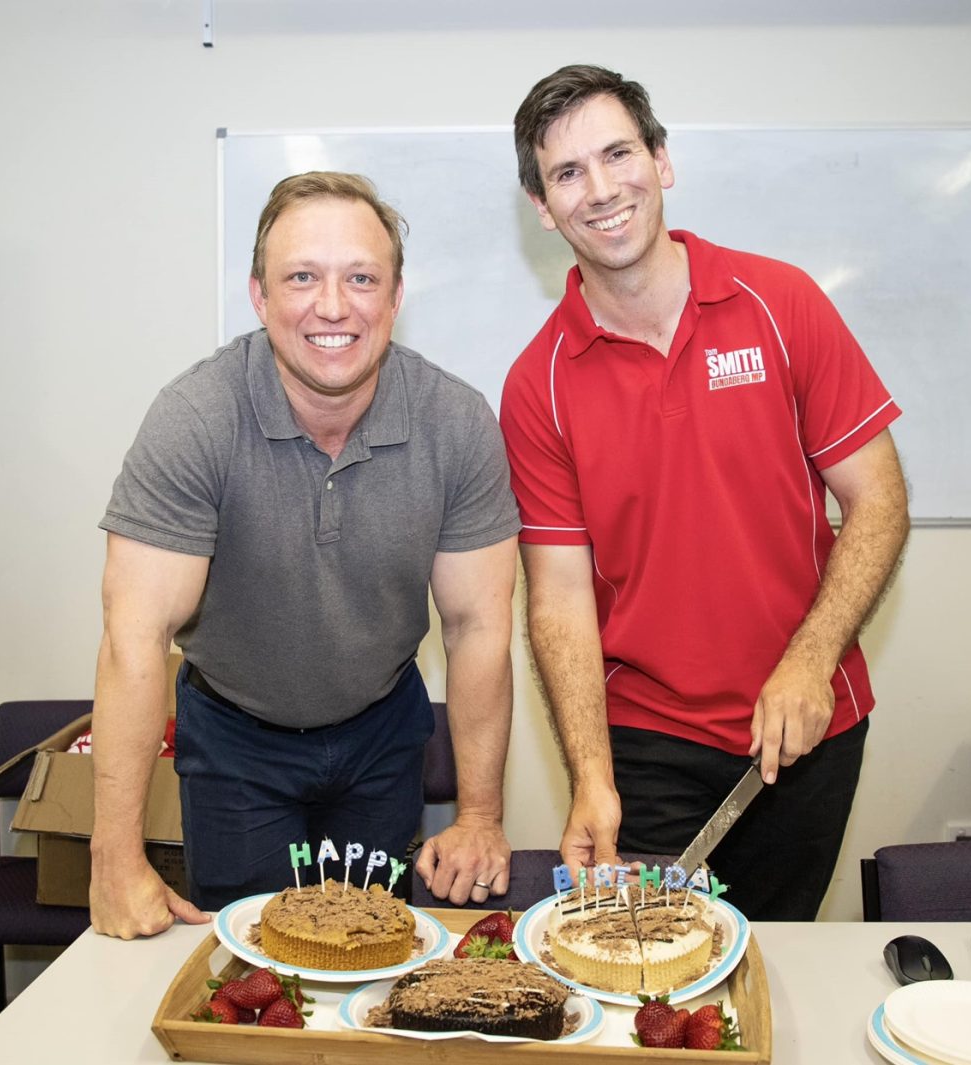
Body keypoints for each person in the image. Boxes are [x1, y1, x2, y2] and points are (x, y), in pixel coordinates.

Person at [500, 65, 910, 920]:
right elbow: (561, 603)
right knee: (654, 989)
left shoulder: (781, 302)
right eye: (568, 172)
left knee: (772, 965)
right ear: (542, 206)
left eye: (619, 154)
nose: (602, 189)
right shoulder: (535, 384)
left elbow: (878, 500)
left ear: (662, 159)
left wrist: (812, 658)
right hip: (646, 743)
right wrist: (591, 778)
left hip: (808, 725)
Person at [90, 171, 519, 939]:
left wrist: (482, 814)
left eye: (361, 277)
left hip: (381, 729)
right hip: (234, 737)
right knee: (252, 972)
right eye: (301, 277)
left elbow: (477, 625)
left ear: (395, 297)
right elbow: (134, 637)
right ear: (259, 296)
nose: (332, 306)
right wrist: (114, 857)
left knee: (374, 950)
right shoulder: (194, 419)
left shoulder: (455, 422)